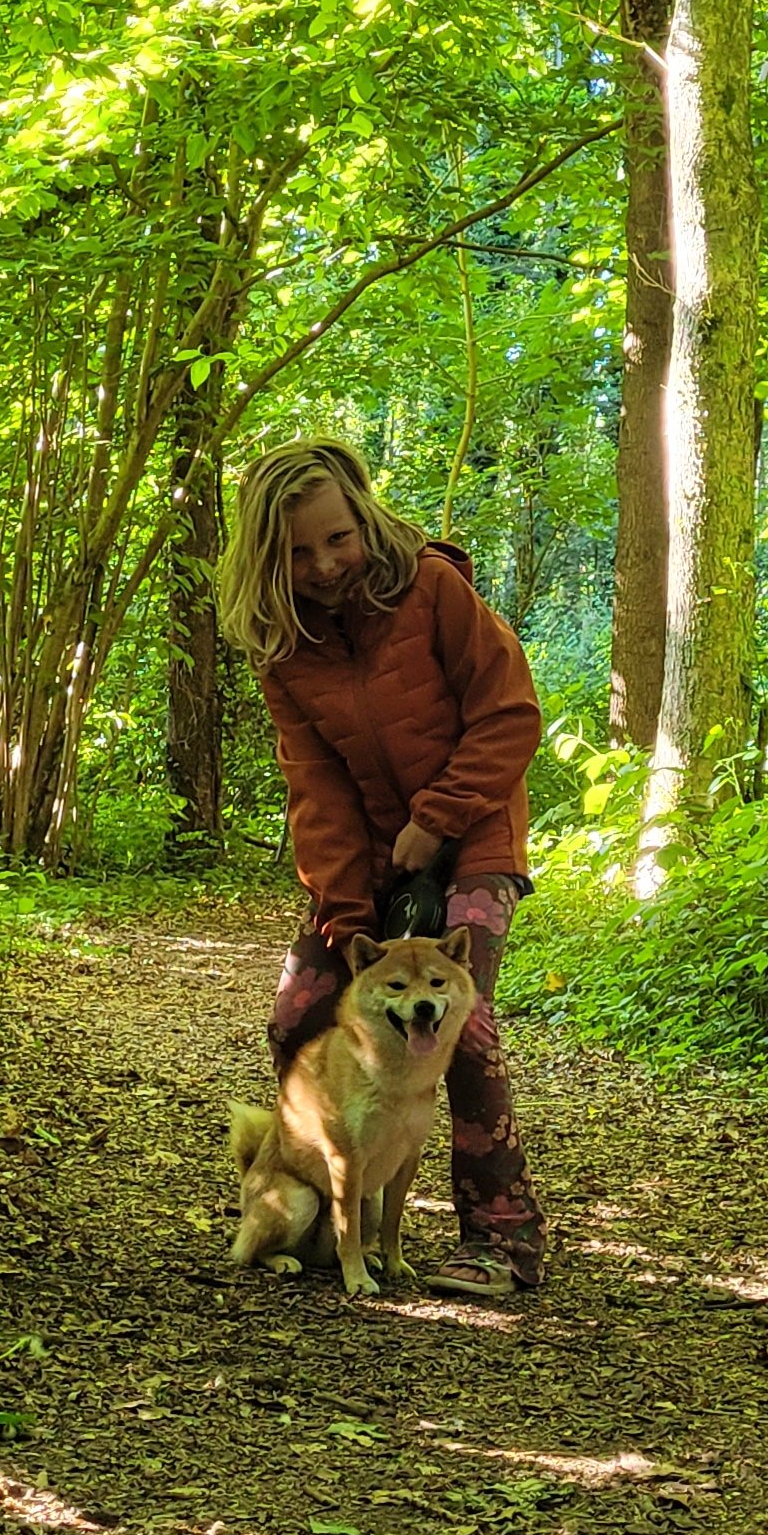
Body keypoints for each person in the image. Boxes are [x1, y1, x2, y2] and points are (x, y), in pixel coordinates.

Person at [217, 438, 546, 1298]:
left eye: (338, 538)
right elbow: (315, 783)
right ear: (268, 558)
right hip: (367, 852)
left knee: (461, 1027)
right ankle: (325, 1205)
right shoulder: (283, 644)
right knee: (299, 1015)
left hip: (474, 834)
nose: (325, 564)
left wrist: (437, 819)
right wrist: (344, 903)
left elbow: (510, 715)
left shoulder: (434, 589)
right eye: (298, 552)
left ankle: (501, 1239)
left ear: (364, 519)